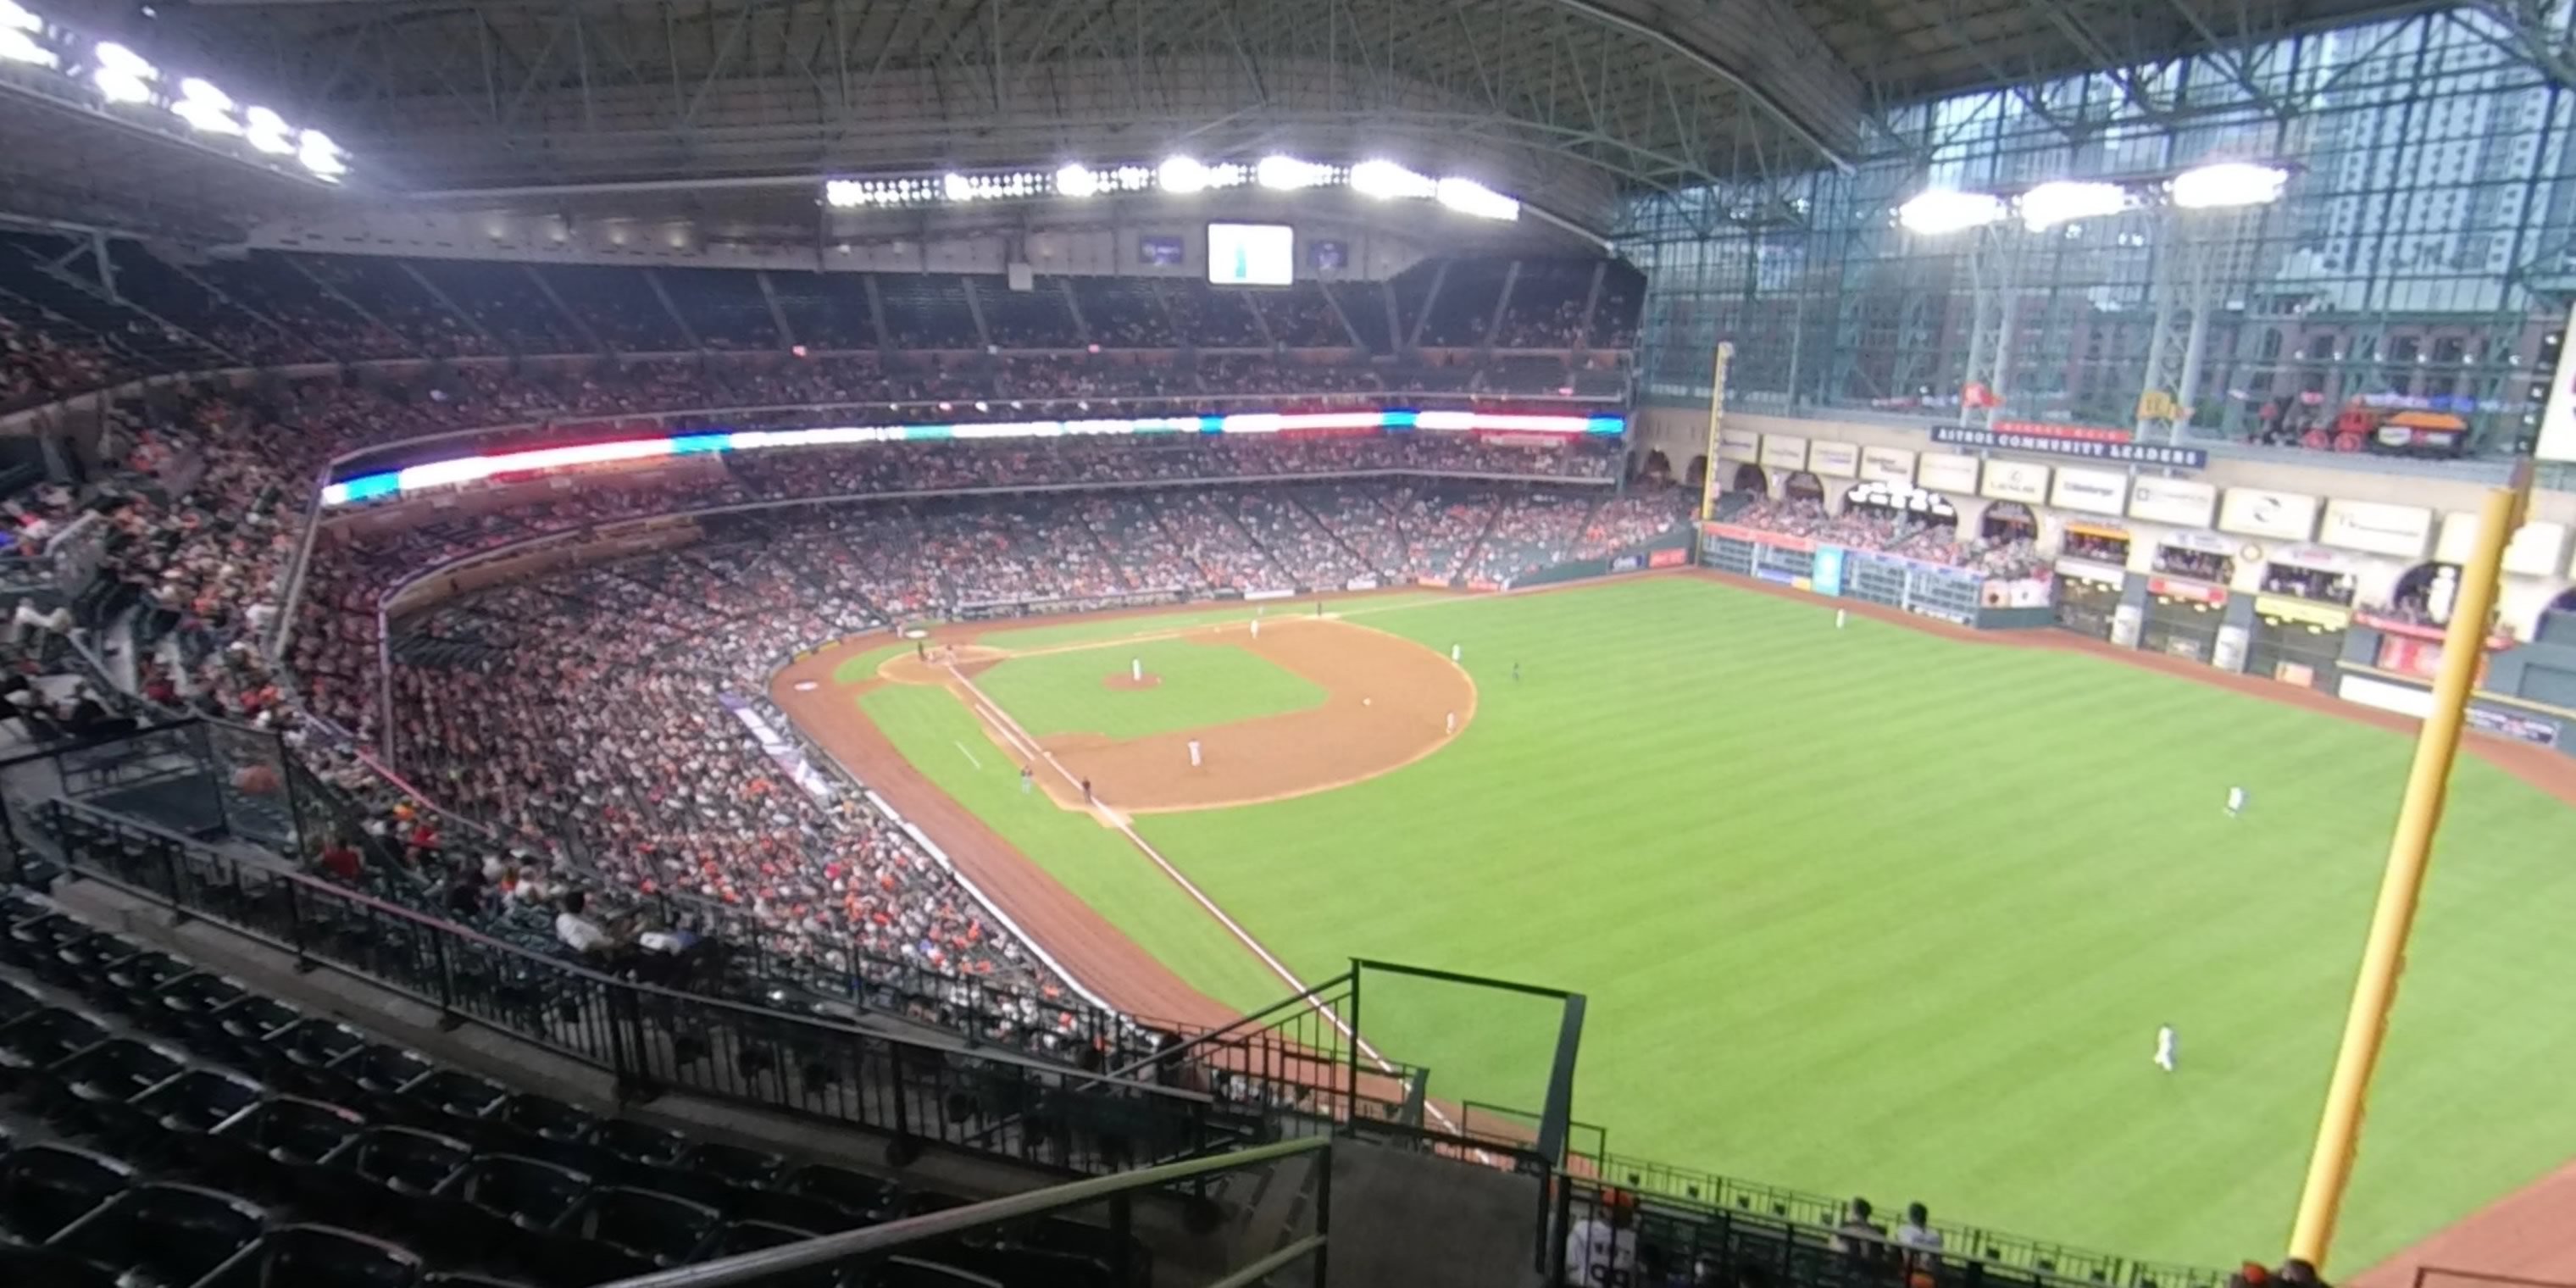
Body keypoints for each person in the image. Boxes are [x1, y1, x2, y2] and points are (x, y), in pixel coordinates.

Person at [1564, 1196, 1635, 1287]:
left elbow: (1634, 1275)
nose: (1615, 1213)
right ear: (1604, 1208)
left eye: (1620, 1210)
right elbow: (1568, 1263)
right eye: (1612, 1208)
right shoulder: (1584, 1228)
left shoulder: (1632, 1238)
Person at [556, 890, 613, 956]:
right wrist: (609, 944)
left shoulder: (578, 913)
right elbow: (583, 947)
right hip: (596, 953)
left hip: (603, 938)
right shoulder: (566, 922)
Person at [1895, 1202, 1943, 1266]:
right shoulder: (1935, 1235)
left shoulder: (1902, 1231)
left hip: (1909, 1269)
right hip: (1928, 1269)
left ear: (1911, 1217)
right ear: (1925, 1217)